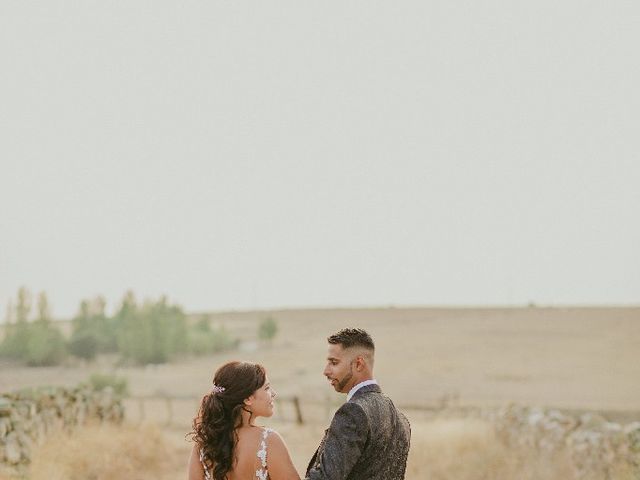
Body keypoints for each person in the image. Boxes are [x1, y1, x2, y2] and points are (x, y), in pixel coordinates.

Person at [305, 328, 411, 480]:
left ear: (359, 364)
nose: (326, 371)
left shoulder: (353, 412)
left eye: (334, 362)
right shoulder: (401, 419)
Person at [188, 361, 300, 480]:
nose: (273, 393)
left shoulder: (204, 444)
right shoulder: (268, 441)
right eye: (266, 388)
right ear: (247, 398)